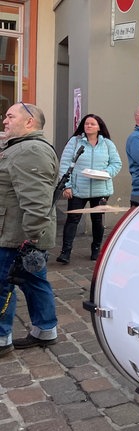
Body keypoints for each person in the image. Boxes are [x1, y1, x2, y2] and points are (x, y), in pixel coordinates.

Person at [0, 102, 59, 357]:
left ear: (29, 122)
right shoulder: (19, 147)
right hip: (21, 234)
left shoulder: (30, 150)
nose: (4, 121)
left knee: (3, 285)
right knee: (34, 281)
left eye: (10, 116)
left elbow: (37, 201)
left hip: (16, 237)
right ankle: (46, 330)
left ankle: (2, 338)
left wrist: (32, 239)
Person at [55, 114, 122, 264]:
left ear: (99, 127)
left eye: (92, 124)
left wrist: (106, 173)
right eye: (86, 124)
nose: (89, 126)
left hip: (101, 189)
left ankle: (96, 250)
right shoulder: (75, 141)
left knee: (97, 221)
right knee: (72, 219)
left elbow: (116, 163)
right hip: (78, 189)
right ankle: (65, 252)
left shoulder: (107, 144)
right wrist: (67, 186)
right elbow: (65, 164)